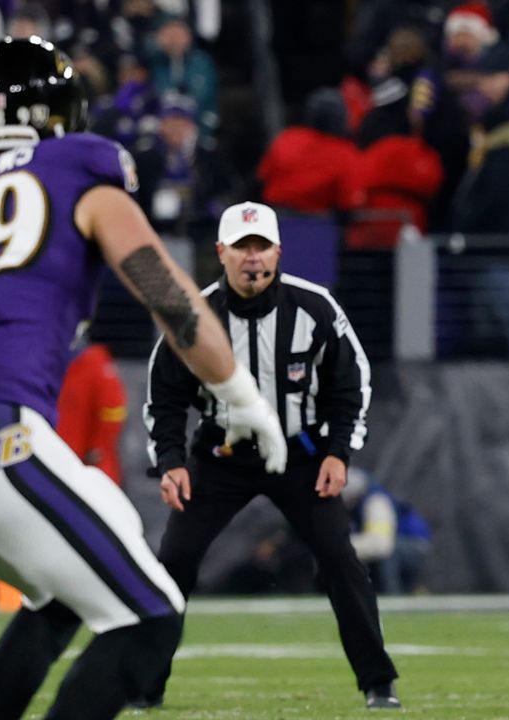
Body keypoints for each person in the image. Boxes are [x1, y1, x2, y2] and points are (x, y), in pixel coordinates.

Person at [0, 38, 287, 720]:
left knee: (63, 600)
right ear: (57, 115)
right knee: (150, 620)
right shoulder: (79, 168)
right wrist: (240, 394)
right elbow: (167, 295)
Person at [143, 201, 400, 709]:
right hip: (221, 455)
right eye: (242, 247)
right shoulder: (194, 316)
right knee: (173, 562)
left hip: (301, 455)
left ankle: (378, 682)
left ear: (279, 252)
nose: (252, 257)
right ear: (221, 253)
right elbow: (165, 396)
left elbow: (352, 385)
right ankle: (144, 685)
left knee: (340, 561)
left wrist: (338, 453)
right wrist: (171, 461)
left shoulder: (316, 308)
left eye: (261, 246)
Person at [343, 467, 432, 595]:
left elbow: (380, 544)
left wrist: (340, 547)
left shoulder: (376, 502)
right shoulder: (356, 506)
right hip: (394, 543)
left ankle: (391, 596)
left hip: (413, 545)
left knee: (387, 553)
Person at [57, 342, 129, 485]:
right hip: (64, 460)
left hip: (91, 467)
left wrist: (98, 447)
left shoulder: (94, 362)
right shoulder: (57, 363)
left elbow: (114, 410)